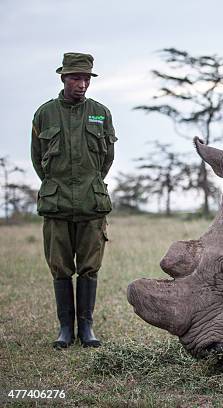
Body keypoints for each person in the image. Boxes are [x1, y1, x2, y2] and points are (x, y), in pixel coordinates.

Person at [31, 52, 117, 349]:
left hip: (92, 204)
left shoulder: (101, 113)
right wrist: (58, 185)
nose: (81, 84)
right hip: (57, 205)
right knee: (61, 268)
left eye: (85, 79)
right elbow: (37, 160)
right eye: (75, 78)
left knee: (90, 268)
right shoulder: (45, 114)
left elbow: (107, 159)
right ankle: (65, 328)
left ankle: (87, 328)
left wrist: (89, 183)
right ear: (63, 78)